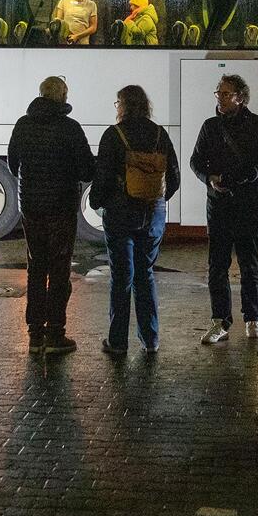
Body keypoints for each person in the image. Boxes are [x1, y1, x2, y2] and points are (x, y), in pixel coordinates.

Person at [7, 76, 97, 355]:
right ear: (63, 96)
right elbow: (86, 171)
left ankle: (35, 335)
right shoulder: (70, 128)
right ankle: (56, 333)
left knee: (36, 269)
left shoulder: (23, 125)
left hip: (31, 207)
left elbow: (12, 164)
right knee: (59, 270)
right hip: (61, 208)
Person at [189, 73, 258, 345]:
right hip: (218, 206)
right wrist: (210, 179)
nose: (220, 98)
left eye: (225, 93)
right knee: (217, 266)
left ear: (240, 97)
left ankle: (252, 319)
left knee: (250, 265)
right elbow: (195, 161)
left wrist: (247, 176)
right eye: (218, 93)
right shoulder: (210, 126)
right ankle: (220, 321)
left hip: (248, 205)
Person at [91, 84, 179, 357]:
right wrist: (156, 199)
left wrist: (97, 202)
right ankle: (150, 340)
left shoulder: (113, 135)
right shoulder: (160, 134)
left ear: (124, 105)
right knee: (146, 274)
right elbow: (173, 178)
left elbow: (103, 176)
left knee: (121, 277)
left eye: (118, 103)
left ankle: (118, 342)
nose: (116, 108)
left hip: (120, 213)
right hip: (153, 212)